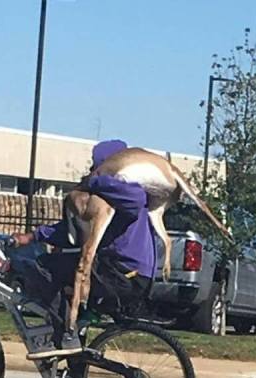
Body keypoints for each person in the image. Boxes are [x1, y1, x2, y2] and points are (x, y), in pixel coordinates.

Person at [13, 140, 156, 360]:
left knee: (44, 266)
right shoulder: (109, 196)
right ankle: (75, 371)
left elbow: (137, 200)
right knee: (69, 283)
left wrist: (95, 180)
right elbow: (72, 233)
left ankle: (64, 335)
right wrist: (32, 236)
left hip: (125, 274)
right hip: (118, 271)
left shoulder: (128, 191)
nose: (91, 168)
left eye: (95, 164)